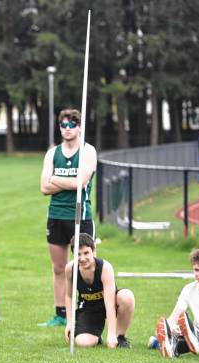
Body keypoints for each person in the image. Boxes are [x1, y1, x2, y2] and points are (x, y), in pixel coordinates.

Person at [39, 109, 97, 327]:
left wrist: (55, 179)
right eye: (63, 125)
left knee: (85, 265)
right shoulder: (52, 153)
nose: (67, 128)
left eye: (72, 124)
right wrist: (66, 182)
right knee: (59, 268)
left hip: (80, 215)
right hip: (56, 216)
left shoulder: (88, 151)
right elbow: (43, 188)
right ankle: (61, 314)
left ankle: (87, 310)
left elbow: (80, 184)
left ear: (79, 127)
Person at [64, 233, 134, 349]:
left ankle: (120, 337)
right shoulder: (70, 269)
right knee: (83, 343)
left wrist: (111, 335)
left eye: (86, 253)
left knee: (127, 296)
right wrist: (69, 323)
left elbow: (109, 303)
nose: (82, 258)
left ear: (93, 250)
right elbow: (69, 296)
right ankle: (97, 336)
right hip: (88, 308)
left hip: (108, 302)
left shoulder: (105, 268)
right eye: (78, 254)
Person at [154, 248, 199, 358]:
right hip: (196, 333)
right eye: (196, 270)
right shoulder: (189, 289)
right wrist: (173, 328)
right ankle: (192, 340)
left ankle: (177, 346)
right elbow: (173, 318)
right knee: (164, 331)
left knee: (196, 337)